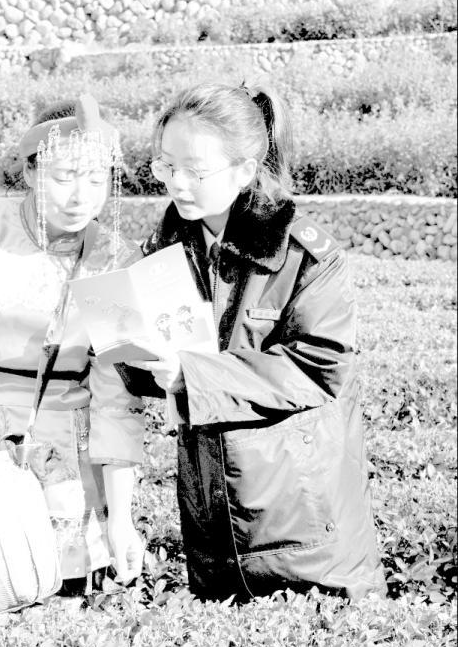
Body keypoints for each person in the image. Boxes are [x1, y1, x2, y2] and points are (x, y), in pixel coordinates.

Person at [124, 82, 385, 600]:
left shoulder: (305, 257)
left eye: (195, 170)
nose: (177, 183)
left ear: (244, 170)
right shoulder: (163, 252)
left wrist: (192, 374)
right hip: (212, 521)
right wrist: (124, 344)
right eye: (165, 166)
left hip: (306, 527)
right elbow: (152, 375)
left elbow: (320, 368)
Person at [0, 95, 146, 595]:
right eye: (64, 177)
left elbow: (116, 397)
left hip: (67, 455)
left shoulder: (111, 257)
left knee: (64, 600)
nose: (80, 197)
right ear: (32, 171)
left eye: (96, 180)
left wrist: (121, 517)